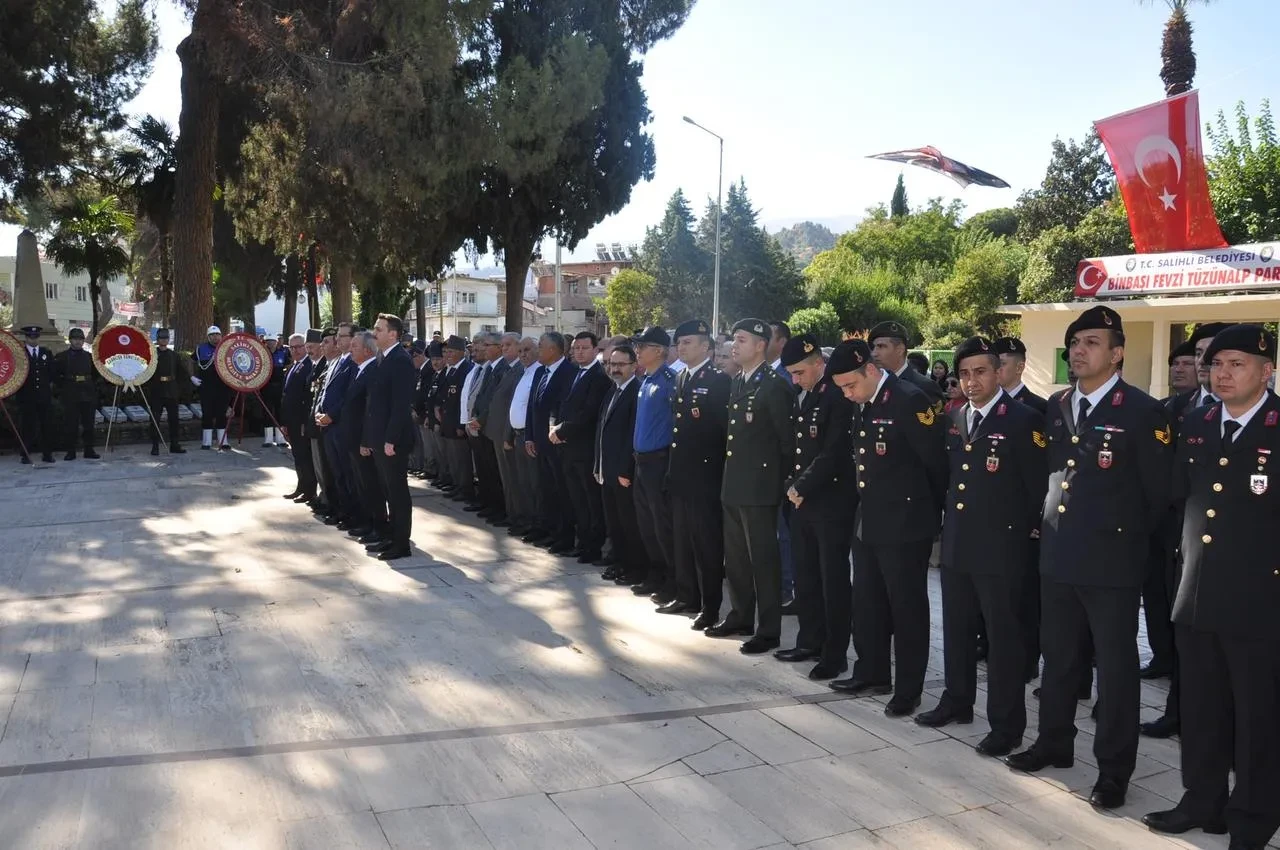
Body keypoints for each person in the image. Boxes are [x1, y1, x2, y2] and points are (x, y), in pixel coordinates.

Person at [1006, 305, 1172, 813]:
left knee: (1115, 672)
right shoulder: (1057, 407)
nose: (1079, 350)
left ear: (1117, 353)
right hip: (1058, 556)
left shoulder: (1143, 412)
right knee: (1058, 660)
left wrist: (1121, 541)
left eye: (1093, 342)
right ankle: (1054, 742)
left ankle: (1114, 770)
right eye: (1075, 342)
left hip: (1112, 564)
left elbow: (1159, 494)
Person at [1142, 324, 1280, 850]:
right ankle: (1202, 800)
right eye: (1217, 364)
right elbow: (1180, 499)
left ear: (1266, 371)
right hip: (1196, 590)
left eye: (1237, 364)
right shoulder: (1196, 421)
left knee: (1257, 716)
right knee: (1201, 708)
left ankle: (1253, 816)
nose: (1222, 374)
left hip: (1260, 601)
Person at [916, 337, 1047, 757]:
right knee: (955, 630)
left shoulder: (1023, 419)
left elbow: (1037, 487)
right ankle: (957, 701)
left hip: (1001, 549)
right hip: (958, 543)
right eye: (965, 374)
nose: (971, 381)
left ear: (999, 373)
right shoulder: (954, 418)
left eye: (981, 372)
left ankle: (1006, 726)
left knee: (1003, 641)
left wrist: (1021, 534)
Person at [827, 338, 948, 716]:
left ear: (871, 370)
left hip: (906, 522)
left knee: (906, 608)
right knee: (867, 602)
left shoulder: (909, 400)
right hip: (870, 519)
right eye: (842, 389)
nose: (847, 394)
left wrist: (930, 518)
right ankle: (872, 671)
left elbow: (935, 465)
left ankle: (908, 688)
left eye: (851, 385)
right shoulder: (863, 403)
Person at [709, 318, 795, 654]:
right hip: (734, 484)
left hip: (760, 488)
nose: (734, 345)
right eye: (734, 340)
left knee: (764, 560)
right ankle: (741, 615)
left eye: (741, 340)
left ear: (761, 344)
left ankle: (769, 629)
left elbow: (787, 443)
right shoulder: (739, 382)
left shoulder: (774, 385)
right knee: (737, 559)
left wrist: (778, 483)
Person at [775, 333, 856, 680]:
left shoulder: (837, 397)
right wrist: (791, 487)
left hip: (831, 502)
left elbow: (834, 452)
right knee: (806, 575)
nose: (796, 379)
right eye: (791, 374)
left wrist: (801, 486)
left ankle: (834, 654)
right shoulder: (803, 395)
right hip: (802, 501)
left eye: (800, 373)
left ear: (818, 364)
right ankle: (809, 640)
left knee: (832, 581)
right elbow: (796, 451)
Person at [667, 319, 730, 624]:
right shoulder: (681, 377)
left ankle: (711, 607)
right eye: (679, 342)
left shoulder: (718, 381)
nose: (681, 347)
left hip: (706, 478)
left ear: (706, 347)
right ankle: (687, 596)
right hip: (682, 475)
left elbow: (722, 433)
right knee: (683, 540)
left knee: (707, 545)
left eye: (688, 342)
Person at [361, 313, 418, 561]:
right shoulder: (383, 358)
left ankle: (401, 543)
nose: (375, 333)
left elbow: (400, 405)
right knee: (387, 490)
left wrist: (390, 440)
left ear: (393, 334)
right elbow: (374, 404)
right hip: (379, 438)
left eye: (379, 329)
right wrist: (369, 438)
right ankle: (391, 537)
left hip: (392, 441)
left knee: (397, 492)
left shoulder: (401, 360)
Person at [628, 327, 678, 600]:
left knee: (662, 525)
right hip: (641, 462)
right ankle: (655, 574)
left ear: (659, 350)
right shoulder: (645, 380)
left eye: (642, 346)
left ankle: (672, 579)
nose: (637, 350)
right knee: (646, 523)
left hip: (659, 462)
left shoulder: (669, 381)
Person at [553, 332, 611, 563]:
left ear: (596, 350)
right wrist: (553, 426)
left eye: (584, 348)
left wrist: (561, 430)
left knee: (591, 501)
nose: (579, 352)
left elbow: (588, 413)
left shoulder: (600, 376)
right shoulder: (572, 373)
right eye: (576, 348)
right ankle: (582, 541)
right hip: (566, 448)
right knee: (576, 499)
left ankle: (593, 547)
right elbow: (559, 404)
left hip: (585, 449)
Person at [595, 343, 644, 585]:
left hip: (623, 473)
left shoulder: (636, 391)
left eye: (620, 365)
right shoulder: (612, 390)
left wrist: (626, 470)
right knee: (614, 523)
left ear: (634, 366)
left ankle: (634, 568)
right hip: (607, 470)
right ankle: (619, 563)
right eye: (612, 364)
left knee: (628, 524)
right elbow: (601, 432)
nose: (615, 369)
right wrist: (598, 465)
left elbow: (631, 436)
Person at [525, 332, 576, 554]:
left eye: (541, 346)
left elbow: (564, 410)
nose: (538, 350)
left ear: (554, 350)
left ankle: (562, 535)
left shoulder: (569, 373)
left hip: (558, 443)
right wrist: (529, 436)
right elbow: (532, 407)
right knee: (543, 488)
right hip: (539, 442)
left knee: (560, 491)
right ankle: (545, 528)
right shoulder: (539, 372)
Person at [337, 331, 385, 544]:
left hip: (363, 440)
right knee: (361, 483)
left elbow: (369, 410)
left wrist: (366, 440)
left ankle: (378, 525)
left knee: (371, 485)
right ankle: (367, 522)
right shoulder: (359, 370)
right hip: (353, 438)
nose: (350, 348)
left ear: (367, 350)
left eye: (354, 346)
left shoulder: (372, 371)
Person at [316, 323, 357, 528]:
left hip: (341, 425)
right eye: (338, 337)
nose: (338, 340)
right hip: (329, 425)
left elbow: (349, 395)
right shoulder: (337, 361)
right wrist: (321, 413)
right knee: (337, 472)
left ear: (353, 339)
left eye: (342, 336)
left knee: (347, 473)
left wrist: (331, 415)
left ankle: (352, 514)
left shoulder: (353, 361)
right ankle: (342, 511)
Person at [480, 333, 523, 527]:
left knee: (513, 479)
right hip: (496, 431)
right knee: (505, 478)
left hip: (507, 433)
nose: (504, 348)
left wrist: (508, 434)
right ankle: (511, 513)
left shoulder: (520, 370)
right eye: (503, 345)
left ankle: (515, 515)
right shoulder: (508, 369)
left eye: (508, 345)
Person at [507, 338, 541, 539]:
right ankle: (526, 521)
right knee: (523, 483)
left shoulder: (538, 372)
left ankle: (536, 524)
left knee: (534, 484)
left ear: (538, 350)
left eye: (527, 350)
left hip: (530, 436)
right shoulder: (525, 372)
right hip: (519, 434)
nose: (522, 354)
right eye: (520, 351)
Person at [868, 321, 945, 408]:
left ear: (900, 350)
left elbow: (932, 420)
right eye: (873, 347)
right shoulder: (872, 385)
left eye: (881, 346)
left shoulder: (925, 387)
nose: (874, 353)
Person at [53, 327, 100, 460]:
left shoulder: (89, 357)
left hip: (87, 394)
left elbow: (95, 375)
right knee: (71, 425)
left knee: (89, 425)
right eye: (75, 339)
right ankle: (71, 451)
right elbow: (56, 376)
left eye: (80, 339)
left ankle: (89, 450)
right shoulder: (62, 357)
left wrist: (91, 387)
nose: (78, 342)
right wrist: (64, 387)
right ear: (70, 340)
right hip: (71, 394)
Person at [439, 335, 475, 504]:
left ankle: (465, 489)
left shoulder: (466, 369)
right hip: (448, 421)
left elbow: (464, 399)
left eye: (452, 351)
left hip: (457, 422)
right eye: (447, 351)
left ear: (462, 352)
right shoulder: (451, 369)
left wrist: (461, 424)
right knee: (453, 457)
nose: (448, 355)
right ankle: (457, 485)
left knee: (462, 459)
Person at [143, 328, 189, 456]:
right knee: (155, 419)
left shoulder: (174, 355)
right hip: (157, 390)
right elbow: (145, 373)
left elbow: (181, 372)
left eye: (166, 338)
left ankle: (175, 444)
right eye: (161, 338)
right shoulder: (152, 355)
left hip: (172, 390)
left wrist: (180, 387)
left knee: (174, 419)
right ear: (157, 340)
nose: (164, 340)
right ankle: (155, 445)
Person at [15, 325, 56, 463]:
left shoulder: (46, 353)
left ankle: (47, 454)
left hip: (44, 396)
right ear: (26, 338)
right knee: (27, 427)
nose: (33, 339)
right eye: (30, 337)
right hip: (27, 397)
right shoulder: (21, 354)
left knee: (47, 426)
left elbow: (51, 373)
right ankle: (26, 454)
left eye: (36, 336)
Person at [193, 325, 229, 450]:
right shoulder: (200, 348)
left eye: (217, 334)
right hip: (206, 387)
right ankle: (206, 442)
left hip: (223, 387)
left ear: (221, 335)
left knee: (221, 413)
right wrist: (192, 377)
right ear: (208, 337)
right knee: (207, 413)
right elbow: (191, 362)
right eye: (212, 335)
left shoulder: (226, 348)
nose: (215, 337)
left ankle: (223, 441)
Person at [993, 337, 1048, 415]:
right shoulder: (986, 403)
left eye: (1002, 363)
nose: (996, 369)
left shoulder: (1040, 407)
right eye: (993, 364)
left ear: (1019, 368)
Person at [262, 334, 290, 447]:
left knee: (280, 412)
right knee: (267, 411)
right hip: (266, 387)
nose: (270, 343)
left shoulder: (282, 353)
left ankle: (280, 438)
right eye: (268, 341)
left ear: (276, 342)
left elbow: (288, 365)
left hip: (279, 386)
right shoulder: (263, 354)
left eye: (272, 341)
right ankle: (268, 439)